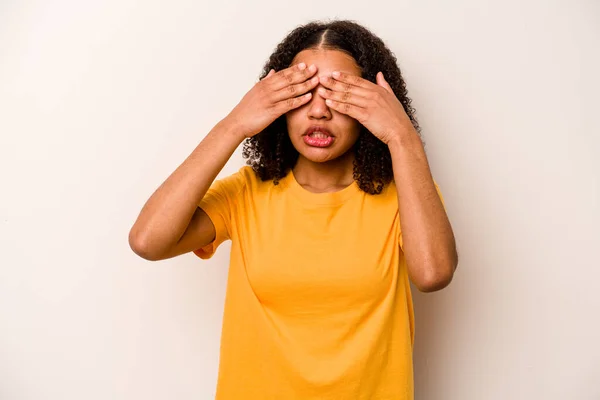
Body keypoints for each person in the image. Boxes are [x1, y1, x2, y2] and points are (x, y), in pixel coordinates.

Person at [129, 19, 458, 400]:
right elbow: (147, 241)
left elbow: (433, 273)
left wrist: (402, 136)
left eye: (338, 95)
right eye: (303, 93)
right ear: (278, 104)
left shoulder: (407, 198)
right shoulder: (247, 193)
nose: (318, 112)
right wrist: (235, 124)